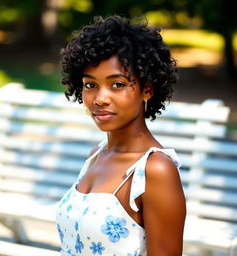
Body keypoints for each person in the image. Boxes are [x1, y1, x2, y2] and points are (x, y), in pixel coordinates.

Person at [56, 15, 186, 256]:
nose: (100, 98)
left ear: (147, 89)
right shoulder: (95, 156)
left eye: (117, 84)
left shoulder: (154, 170)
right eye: (90, 84)